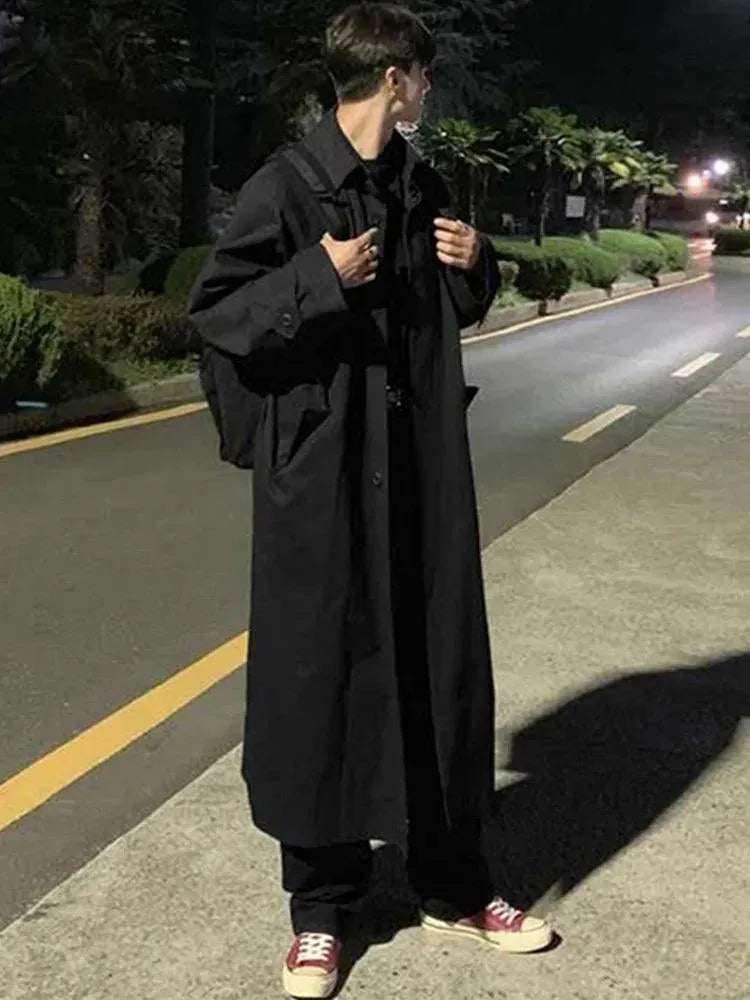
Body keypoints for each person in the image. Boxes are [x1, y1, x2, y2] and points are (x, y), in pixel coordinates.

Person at [188, 4, 553, 997]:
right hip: (324, 478)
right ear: (395, 78)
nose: (427, 91)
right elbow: (217, 314)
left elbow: (443, 307)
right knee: (320, 682)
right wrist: (317, 274)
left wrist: (477, 264)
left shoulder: (419, 182)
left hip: (420, 467)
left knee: (438, 666)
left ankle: (454, 885)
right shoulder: (286, 186)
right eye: (423, 76)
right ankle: (321, 910)